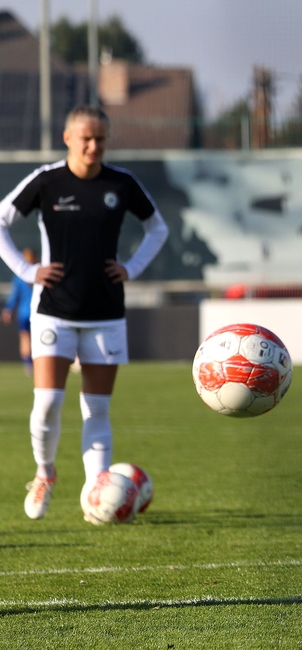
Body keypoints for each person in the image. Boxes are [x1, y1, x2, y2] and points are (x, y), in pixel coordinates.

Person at [0, 106, 169, 521]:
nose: (94, 146)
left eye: (101, 139)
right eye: (86, 138)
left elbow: (158, 229)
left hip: (106, 313)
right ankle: (44, 475)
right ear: (68, 138)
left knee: (97, 410)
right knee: (48, 403)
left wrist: (131, 267)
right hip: (54, 310)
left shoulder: (122, 183)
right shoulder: (47, 180)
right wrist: (26, 271)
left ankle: (97, 496)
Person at [2, 247, 37, 375]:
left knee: (25, 337)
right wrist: (8, 309)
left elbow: (14, 296)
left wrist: (8, 309)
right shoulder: (38, 273)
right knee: (33, 338)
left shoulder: (21, 276)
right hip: (36, 313)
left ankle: (28, 363)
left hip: (26, 313)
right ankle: (32, 362)